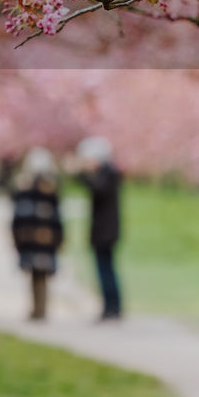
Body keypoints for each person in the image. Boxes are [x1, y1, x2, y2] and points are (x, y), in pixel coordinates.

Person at [10, 148, 63, 321]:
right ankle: (38, 308)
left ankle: (40, 309)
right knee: (36, 275)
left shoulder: (46, 188)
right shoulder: (39, 187)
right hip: (36, 237)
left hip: (37, 237)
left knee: (38, 275)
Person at [74, 136, 123, 321]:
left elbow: (97, 189)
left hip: (106, 232)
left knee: (106, 270)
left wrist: (82, 174)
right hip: (104, 231)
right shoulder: (108, 173)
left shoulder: (107, 174)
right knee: (106, 269)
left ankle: (112, 308)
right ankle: (111, 306)